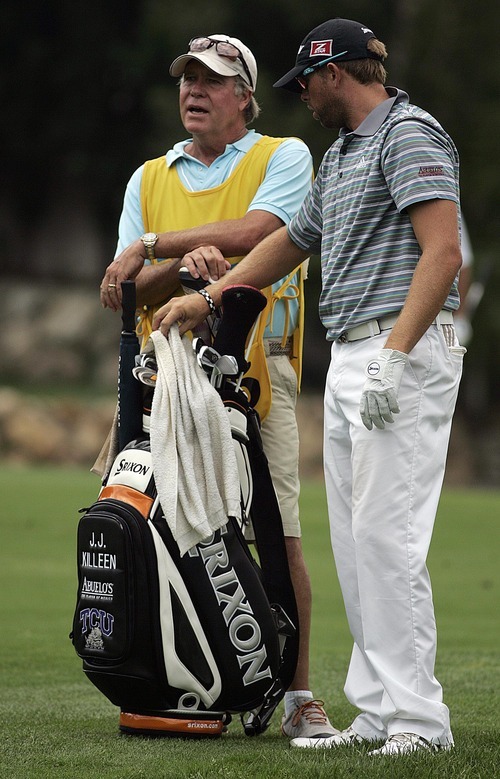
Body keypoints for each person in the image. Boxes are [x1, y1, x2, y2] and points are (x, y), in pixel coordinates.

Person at [152, 18, 466, 757]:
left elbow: (444, 252)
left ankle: (423, 720)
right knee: (357, 542)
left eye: (306, 84)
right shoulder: (346, 152)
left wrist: (395, 353)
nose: (303, 99)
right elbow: (291, 241)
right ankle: (383, 710)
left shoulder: (409, 134)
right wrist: (211, 295)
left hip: (402, 349)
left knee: (390, 538)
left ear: (335, 73)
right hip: (356, 353)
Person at [100, 34, 337, 741]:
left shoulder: (284, 155)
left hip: (259, 366)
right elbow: (124, 288)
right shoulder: (148, 177)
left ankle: (296, 692)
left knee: (276, 529)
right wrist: (181, 266)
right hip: (163, 376)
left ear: (245, 96)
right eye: (187, 78)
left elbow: (266, 230)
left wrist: (160, 246)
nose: (194, 90)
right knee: (161, 530)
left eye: (212, 80)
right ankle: (172, 675)